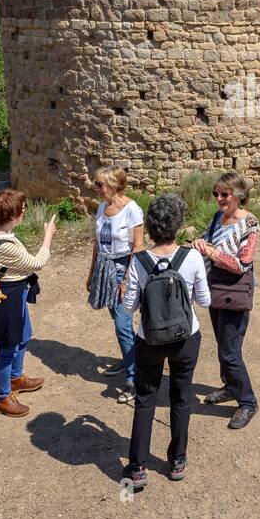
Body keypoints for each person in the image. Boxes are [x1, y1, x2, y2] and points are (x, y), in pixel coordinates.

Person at [120, 193, 211, 490]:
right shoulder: (193, 257)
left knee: (145, 400)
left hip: (150, 339)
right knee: (181, 397)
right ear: (178, 225)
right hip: (185, 337)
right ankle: (177, 459)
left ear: (150, 227)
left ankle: (137, 467)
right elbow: (204, 301)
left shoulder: (140, 261)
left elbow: (129, 308)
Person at [0, 188, 56, 417]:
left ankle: (16, 378)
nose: (25, 211)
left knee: (24, 335)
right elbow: (36, 262)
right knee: (8, 346)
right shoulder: (5, 246)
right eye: (23, 208)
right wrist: (48, 236)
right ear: (12, 215)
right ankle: (3, 398)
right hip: (7, 297)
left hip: (16, 291)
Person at [193, 171, 260, 429]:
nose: (219, 198)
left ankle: (248, 402)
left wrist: (212, 252)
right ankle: (231, 386)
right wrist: (200, 244)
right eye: (216, 194)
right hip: (215, 287)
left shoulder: (250, 223)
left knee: (230, 352)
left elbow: (243, 263)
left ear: (238, 196)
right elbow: (207, 242)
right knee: (223, 343)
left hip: (234, 290)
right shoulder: (217, 218)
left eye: (224, 194)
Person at [86, 166, 144, 404]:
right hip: (104, 266)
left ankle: (134, 379)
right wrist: (91, 274)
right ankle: (129, 358)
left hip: (123, 268)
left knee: (122, 325)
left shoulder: (132, 210)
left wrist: (128, 279)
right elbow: (97, 243)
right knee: (119, 322)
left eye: (100, 184)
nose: (96, 189)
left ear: (113, 185)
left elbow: (137, 247)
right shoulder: (101, 208)